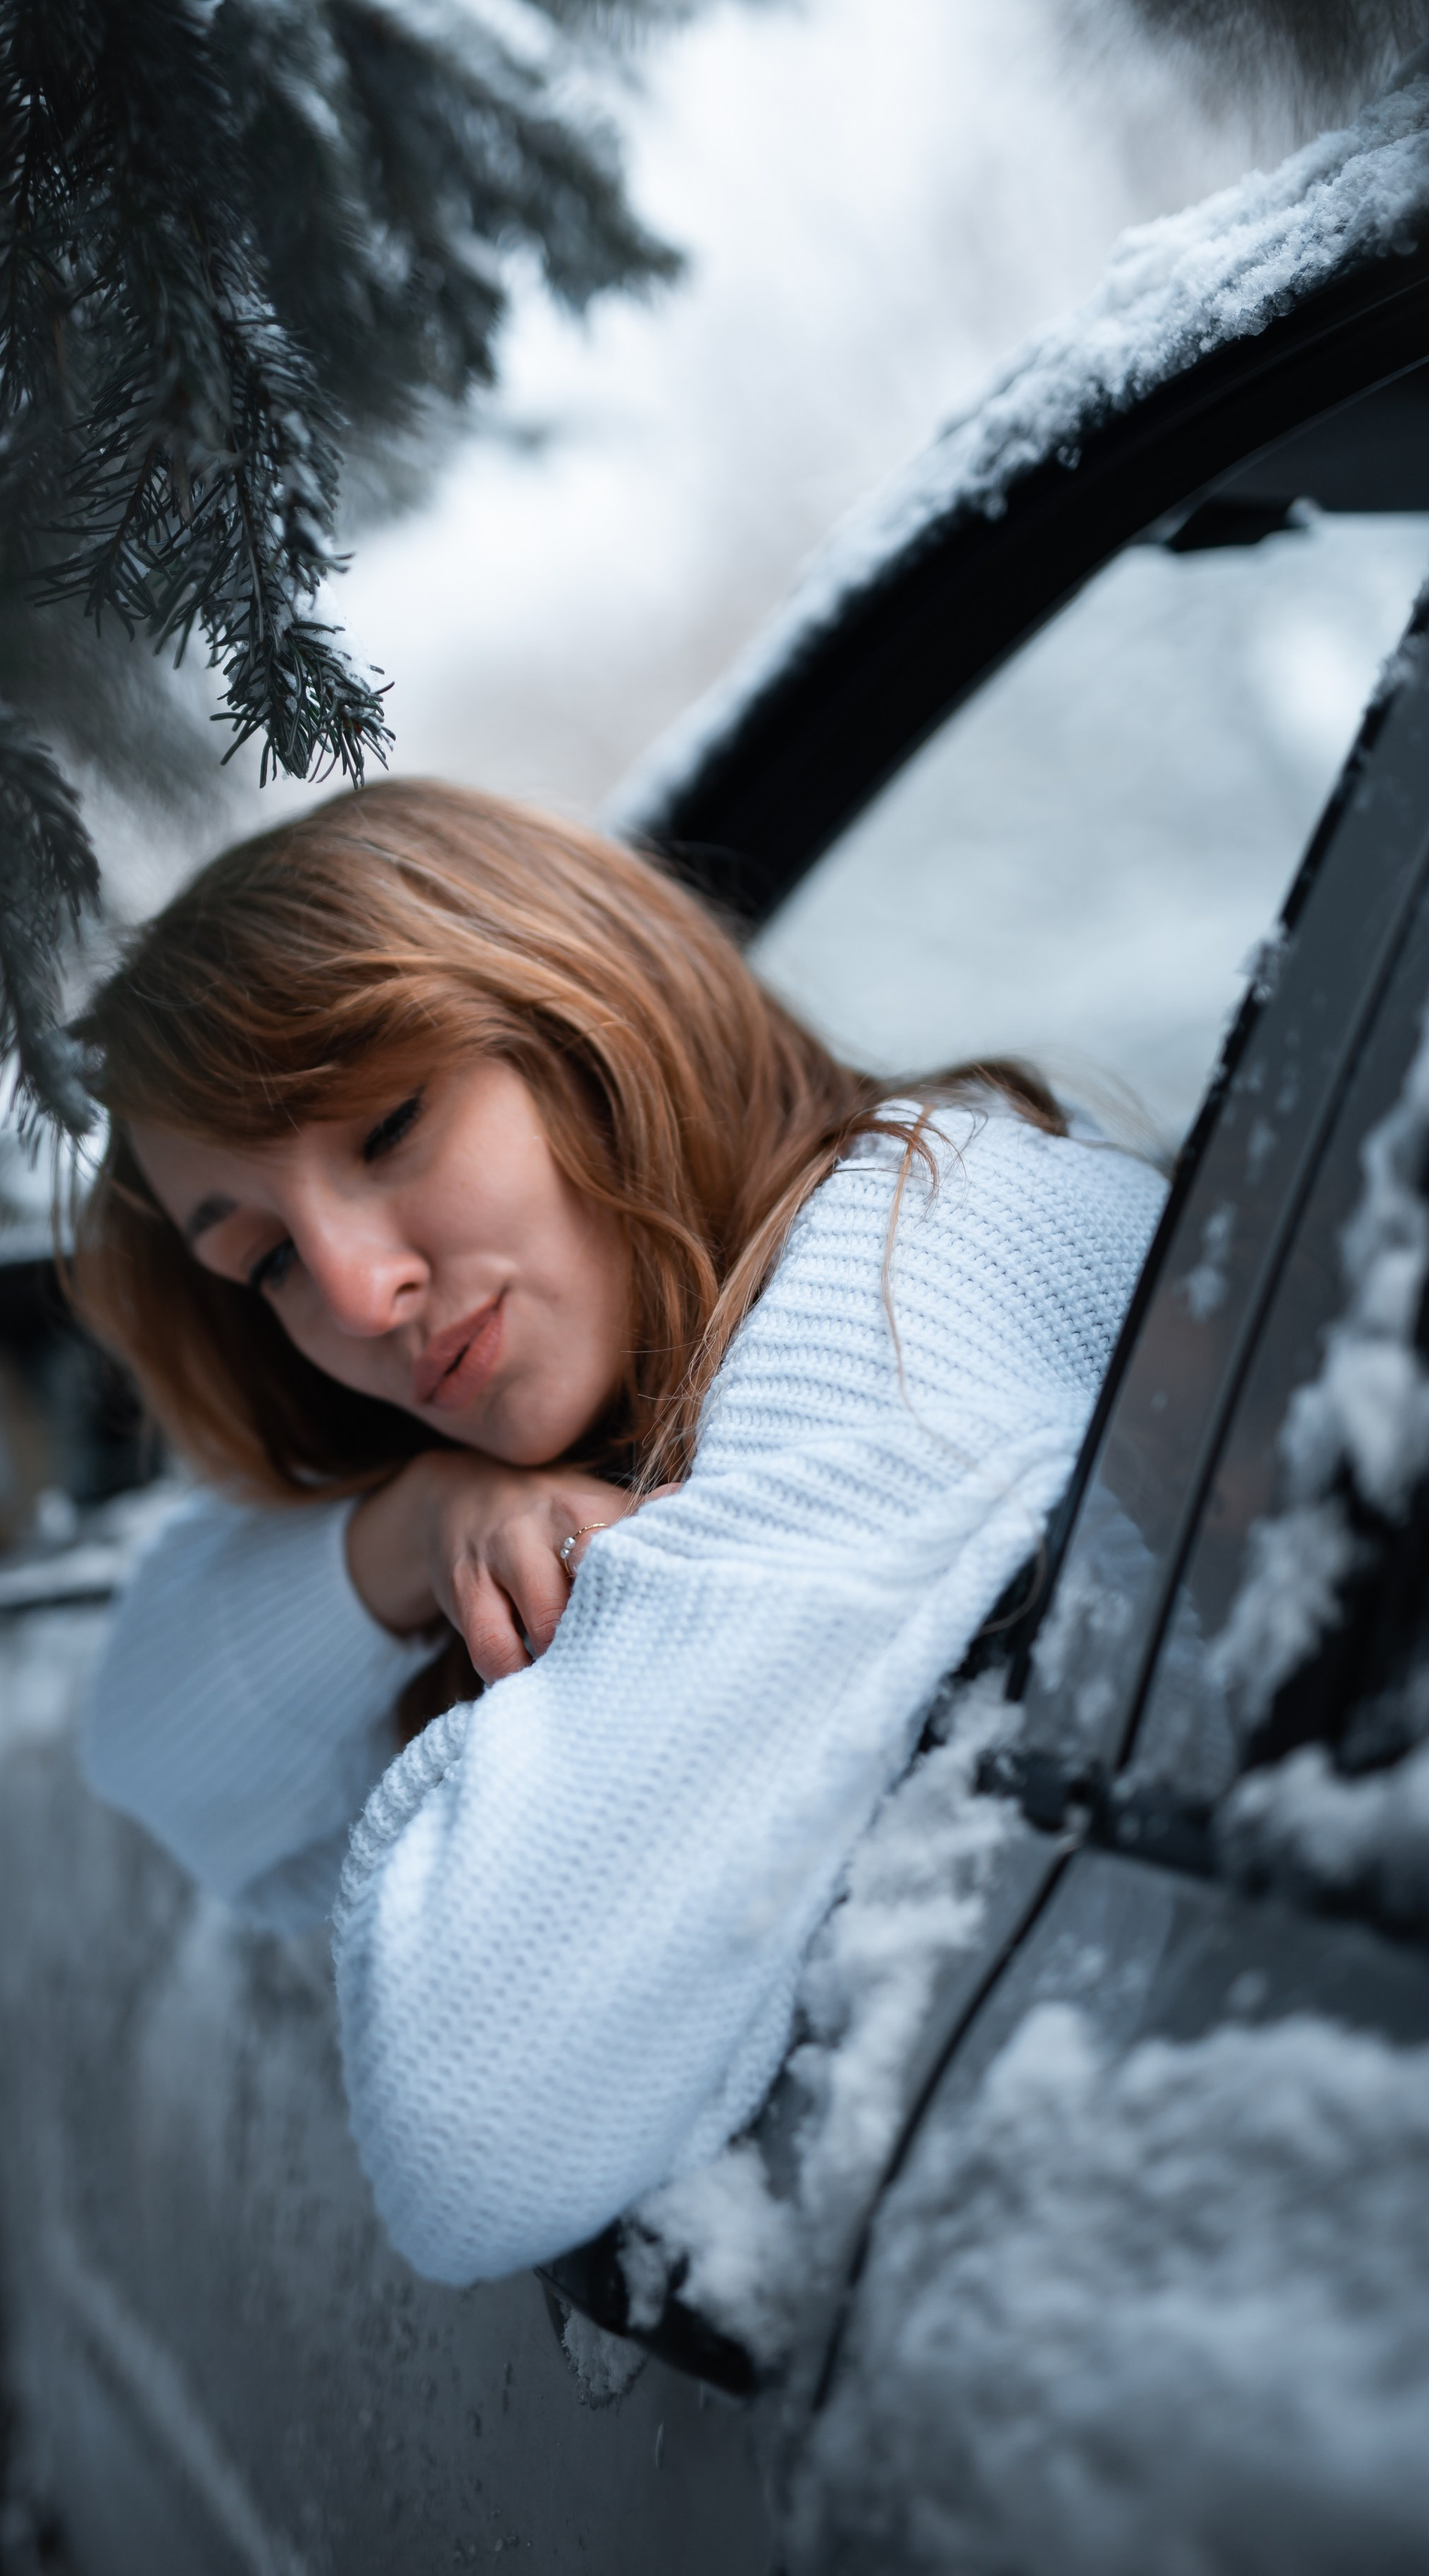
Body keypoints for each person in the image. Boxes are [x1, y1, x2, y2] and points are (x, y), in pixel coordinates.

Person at [68, 782, 1163, 2287]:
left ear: (579, 1016)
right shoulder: (603, 1416)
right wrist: (411, 1527)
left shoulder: (918, 1275)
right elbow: (137, 1730)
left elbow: (475, 2125)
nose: (355, 1290)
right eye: (259, 1259)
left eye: (389, 1126)